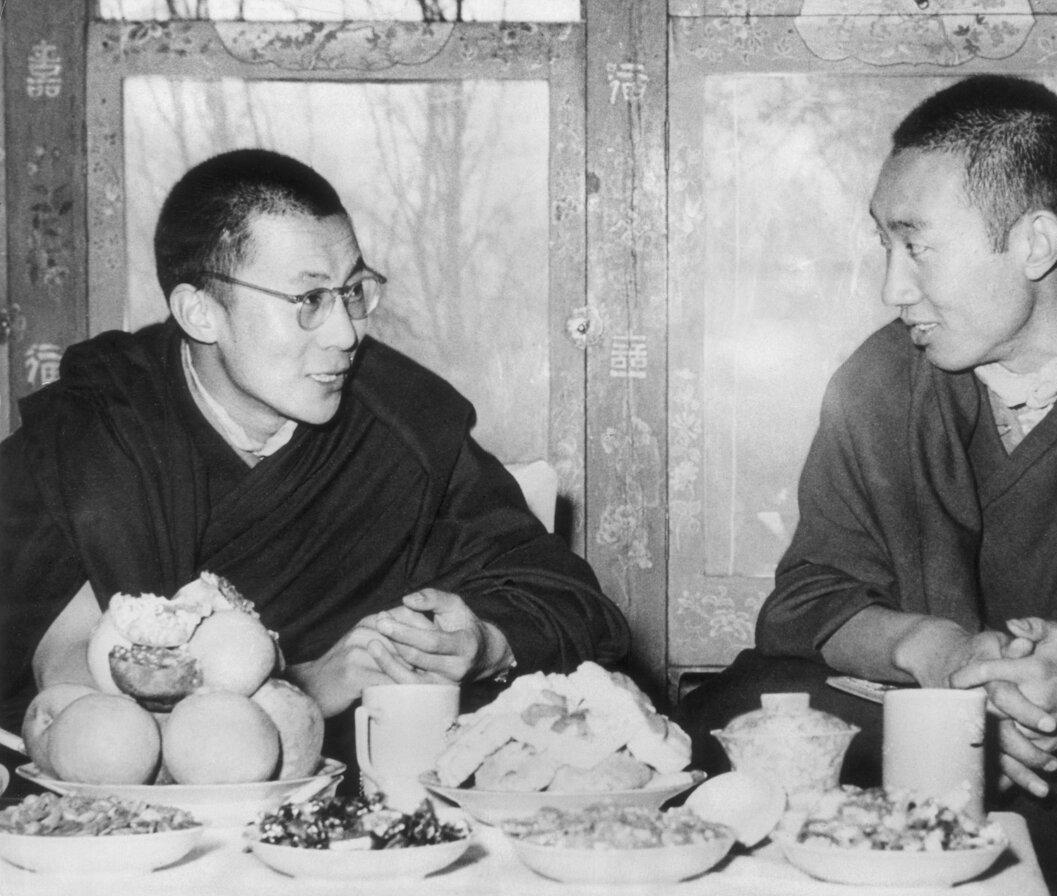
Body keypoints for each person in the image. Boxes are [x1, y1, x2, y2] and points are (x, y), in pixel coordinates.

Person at [676, 76, 1057, 895]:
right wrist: (939, 653)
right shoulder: (881, 379)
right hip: (934, 706)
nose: (892, 288)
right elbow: (812, 598)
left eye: (916, 245)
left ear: (1033, 243)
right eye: (884, 244)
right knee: (737, 720)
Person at [0, 148, 630, 771]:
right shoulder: (95, 427)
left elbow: (567, 597)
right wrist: (304, 685)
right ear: (200, 312)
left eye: (354, 290)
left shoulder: (402, 429)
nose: (346, 333)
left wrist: (485, 642)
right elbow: (61, 695)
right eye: (308, 301)